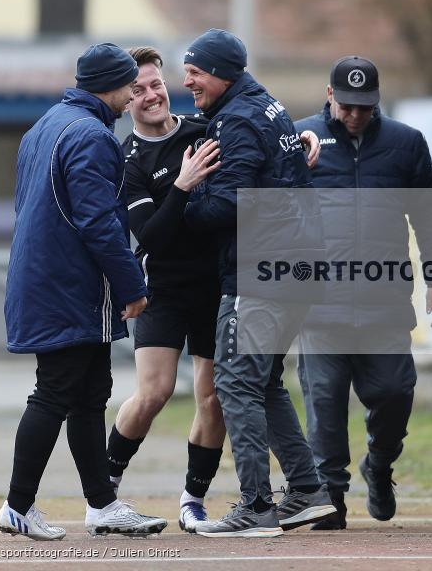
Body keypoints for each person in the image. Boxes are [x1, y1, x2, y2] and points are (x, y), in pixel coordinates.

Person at [107, 46, 322, 534]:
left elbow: (259, 147)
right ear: (125, 100)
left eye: (155, 84)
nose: (150, 95)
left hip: (219, 286)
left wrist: (302, 138)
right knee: (155, 392)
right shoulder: (129, 160)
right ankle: (105, 486)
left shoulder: (205, 127)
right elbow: (154, 237)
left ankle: (193, 499)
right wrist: (181, 186)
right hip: (165, 287)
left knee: (217, 397)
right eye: (136, 90)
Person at [0, 43, 167, 540]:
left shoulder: (45, 123)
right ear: (112, 86)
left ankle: (102, 504)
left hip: (48, 279)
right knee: (54, 393)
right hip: (69, 286)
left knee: (90, 395)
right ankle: (17, 506)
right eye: (130, 85)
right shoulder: (92, 135)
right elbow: (98, 222)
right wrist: (131, 286)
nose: (134, 93)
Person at [180, 29, 335, 538]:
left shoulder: (239, 120)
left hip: (261, 269)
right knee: (264, 382)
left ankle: (256, 505)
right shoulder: (265, 105)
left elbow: (230, 203)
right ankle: (308, 492)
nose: (188, 80)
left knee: (235, 383)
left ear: (222, 73)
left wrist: (184, 199)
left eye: (196, 72)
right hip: (297, 265)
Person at [293, 56, 432, 529]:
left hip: (384, 303)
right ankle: (331, 497)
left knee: (394, 392)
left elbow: (430, 214)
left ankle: (379, 466)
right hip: (319, 305)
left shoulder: (406, 144)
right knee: (324, 404)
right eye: (346, 106)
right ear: (329, 95)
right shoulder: (299, 139)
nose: (355, 115)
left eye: (364, 107)